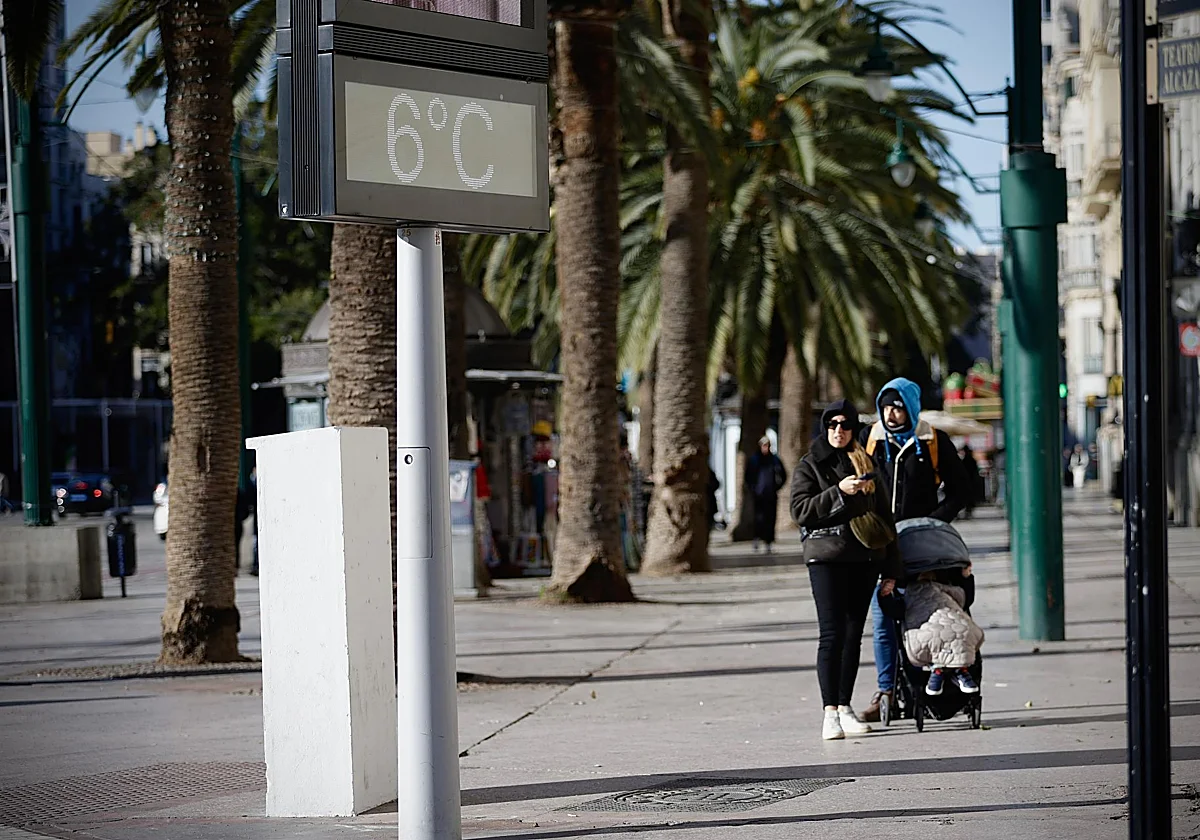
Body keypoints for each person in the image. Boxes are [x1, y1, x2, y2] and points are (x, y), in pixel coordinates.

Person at [859, 377, 970, 723]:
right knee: (883, 618)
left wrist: (932, 523)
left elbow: (961, 490)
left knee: (922, 615)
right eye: (886, 408)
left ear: (910, 407)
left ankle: (922, 688)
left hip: (921, 548)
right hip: (881, 545)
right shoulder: (870, 439)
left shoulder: (933, 440)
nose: (891, 414)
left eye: (898, 407)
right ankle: (886, 691)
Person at [791, 399, 903, 740]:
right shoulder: (810, 464)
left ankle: (844, 706)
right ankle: (829, 713)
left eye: (845, 425)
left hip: (864, 558)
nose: (838, 430)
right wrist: (838, 492)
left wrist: (891, 569)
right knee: (832, 633)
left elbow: (885, 517)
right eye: (832, 424)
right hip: (826, 557)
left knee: (853, 635)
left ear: (854, 429)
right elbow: (801, 510)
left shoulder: (866, 463)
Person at [903, 565, 983, 695]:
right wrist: (967, 578)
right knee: (961, 632)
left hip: (935, 622)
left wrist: (885, 597)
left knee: (932, 637)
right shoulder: (947, 589)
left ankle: (939, 669)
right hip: (946, 622)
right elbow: (965, 599)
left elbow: (895, 610)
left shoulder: (911, 592)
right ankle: (959, 668)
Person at [745, 436, 787, 552]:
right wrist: (753, 489)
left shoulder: (774, 460)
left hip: (771, 494)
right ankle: (757, 539)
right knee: (758, 518)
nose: (766, 448)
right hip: (758, 495)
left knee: (770, 519)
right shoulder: (754, 460)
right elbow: (748, 476)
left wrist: (777, 487)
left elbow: (783, 474)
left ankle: (768, 541)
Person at [959, 444, 983, 519]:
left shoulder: (966, 460)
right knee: (969, 498)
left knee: (968, 498)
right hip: (970, 481)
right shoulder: (970, 460)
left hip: (968, 481)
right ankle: (968, 511)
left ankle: (968, 511)